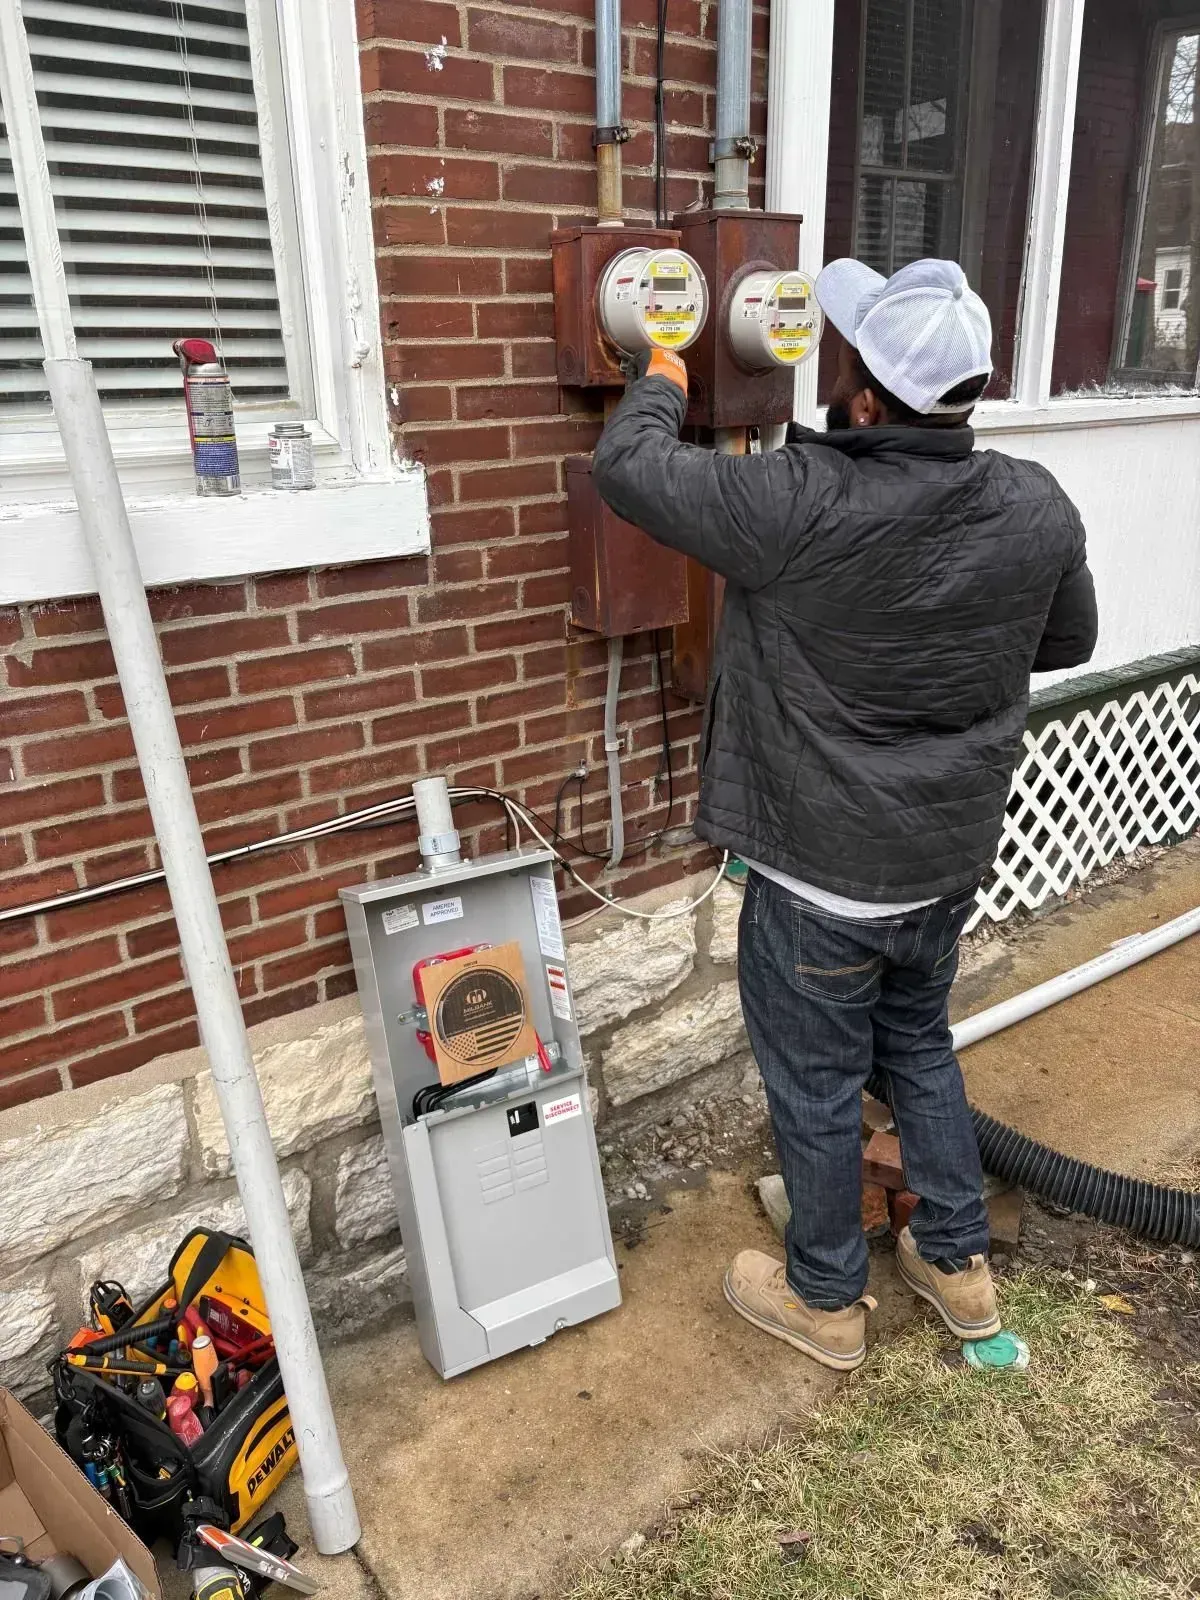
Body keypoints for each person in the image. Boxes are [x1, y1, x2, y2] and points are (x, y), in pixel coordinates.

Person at [592, 257, 1098, 1371]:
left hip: (821, 882)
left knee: (817, 1085)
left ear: (865, 401)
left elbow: (629, 467)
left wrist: (663, 366)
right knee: (918, 1045)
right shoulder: (1033, 503)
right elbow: (1065, 641)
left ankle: (826, 1298)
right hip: (942, 864)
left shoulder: (799, 501)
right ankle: (958, 1267)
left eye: (847, 359)